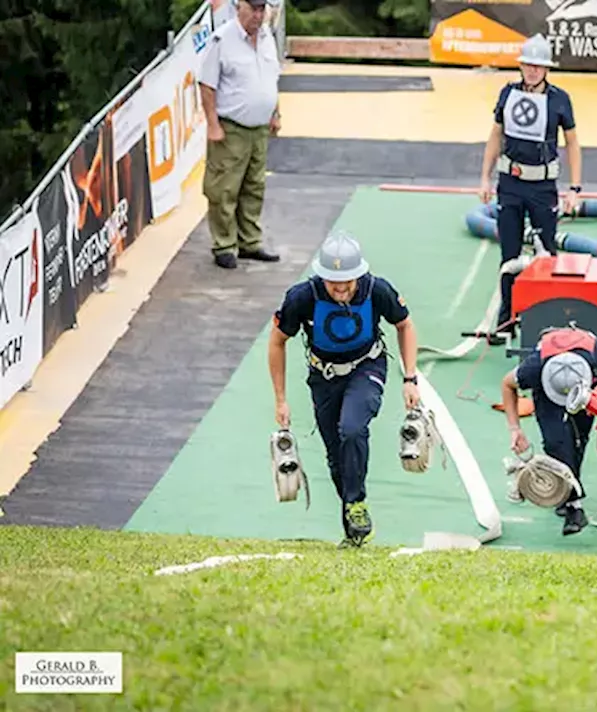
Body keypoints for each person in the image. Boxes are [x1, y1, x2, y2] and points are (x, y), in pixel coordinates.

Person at [268, 230, 421, 547]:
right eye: (333, 283)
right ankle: (355, 531)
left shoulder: (377, 290)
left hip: (368, 367)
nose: (340, 290)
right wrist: (280, 400)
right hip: (323, 377)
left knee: (351, 429)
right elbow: (277, 341)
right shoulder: (302, 297)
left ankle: (356, 501)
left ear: (359, 274)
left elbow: (404, 325)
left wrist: (410, 377)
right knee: (337, 457)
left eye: (347, 283)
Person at [480, 34, 583, 343]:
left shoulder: (560, 99)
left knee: (546, 254)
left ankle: (544, 319)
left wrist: (574, 188)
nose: (533, 71)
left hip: (543, 187)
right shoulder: (507, 94)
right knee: (509, 254)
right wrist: (484, 177)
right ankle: (507, 318)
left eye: (539, 66)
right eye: (528, 65)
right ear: (521, 66)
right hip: (510, 184)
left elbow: (573, 143)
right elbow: (495, 135)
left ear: (546, 68)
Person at [499, 327, 597, 534]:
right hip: (548, 397)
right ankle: (575, 505)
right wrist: (515, 429)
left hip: (586, 393)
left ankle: (567, 491)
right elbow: (507, 384)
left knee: (579, 441)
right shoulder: (534, 368)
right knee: (555, 442)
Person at [198, 0, 283, 269]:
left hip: (259, 127)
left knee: (254, 185)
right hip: (231, 126)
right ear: (239, 8)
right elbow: (207, 84)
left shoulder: (268, 37)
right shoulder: (222, 40)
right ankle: (224, 244)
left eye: (262, 9)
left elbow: (271, 78)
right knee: (224, 188)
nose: (258, 15)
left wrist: (275, 112)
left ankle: (250, 242)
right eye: (253, 9)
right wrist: (212, 123)